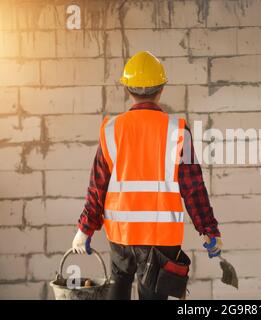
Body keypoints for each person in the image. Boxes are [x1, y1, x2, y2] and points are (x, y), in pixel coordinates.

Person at [71, 51, 222, 300]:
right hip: (160, 239)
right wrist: (209, 230)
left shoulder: (111, 130)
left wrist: (84, 229)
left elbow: (97, 185)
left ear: (128, 89)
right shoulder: (177, 131)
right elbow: (193, 187)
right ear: (161, 89)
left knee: (118, 286)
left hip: (121, 235)